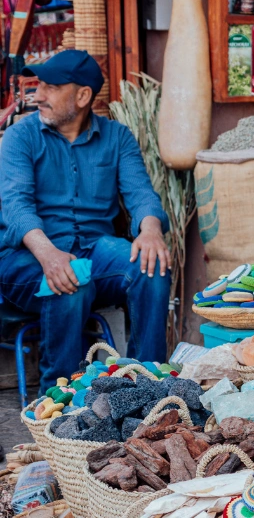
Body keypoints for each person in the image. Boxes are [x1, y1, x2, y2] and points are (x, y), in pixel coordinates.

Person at [0, 50, 172, 392]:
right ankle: (59, 397)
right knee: (71, 279)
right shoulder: (22, 136)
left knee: (151, 265)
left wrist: (150, 229)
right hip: (27, 257)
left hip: (95, 250)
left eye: (50, 87)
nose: (39, 96)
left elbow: (140, 193)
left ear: (82, 96)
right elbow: (14, 205)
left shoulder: (117, 138)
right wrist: (48, 255)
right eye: (39, 86)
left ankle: (148, 384)